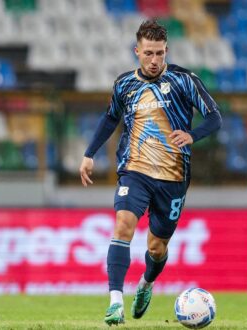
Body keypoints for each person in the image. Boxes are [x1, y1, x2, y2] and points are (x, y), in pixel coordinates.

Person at [79, 20, 222, 326]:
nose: (154, 60)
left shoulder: (185, 80)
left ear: (166, 50)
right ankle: (115, 302)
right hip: (135, 172)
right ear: (137, 52)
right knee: (123, 225)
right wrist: (89, 154)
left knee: (157, 248)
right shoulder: (124, 85)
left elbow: (214, 117)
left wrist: (192, 135)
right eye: (148, 53)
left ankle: (146, 283)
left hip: (173, 179)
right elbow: (109, 119)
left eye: (159, 53)